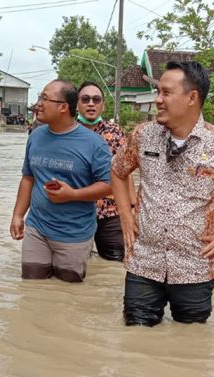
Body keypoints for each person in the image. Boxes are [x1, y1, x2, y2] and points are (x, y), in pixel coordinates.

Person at [110, 61, 214, 326]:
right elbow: (118, 171)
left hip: (194, 267)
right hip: (143, 262)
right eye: (158, 92)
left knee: (192, 342)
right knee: (135, 341)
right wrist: (125, 216)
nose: (158, 99)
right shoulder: (144, 135)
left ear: (192, 97)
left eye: (166, 92)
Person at [10, 79, 112, 283]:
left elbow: (108, 185)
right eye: (40, 97)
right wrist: (18, 215)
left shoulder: (94, 143)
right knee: (32, 289)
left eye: (45, 99)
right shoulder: (36, 136)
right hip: (37, 228)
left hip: (74, 234)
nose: (39, 103)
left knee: (68, 296)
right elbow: (28, 178)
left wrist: (72, 194)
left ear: (64, 107)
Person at [76, 81, 136, 262]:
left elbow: (126, 172)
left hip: (110, 210)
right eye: (85, 99)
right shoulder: (67, 132)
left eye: (96, 99)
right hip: (75, 208)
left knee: (115, 262)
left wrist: (133, 207)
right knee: (74, 263)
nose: (91, 104)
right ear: (76, 104)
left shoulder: (115, 132)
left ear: (103, 105)